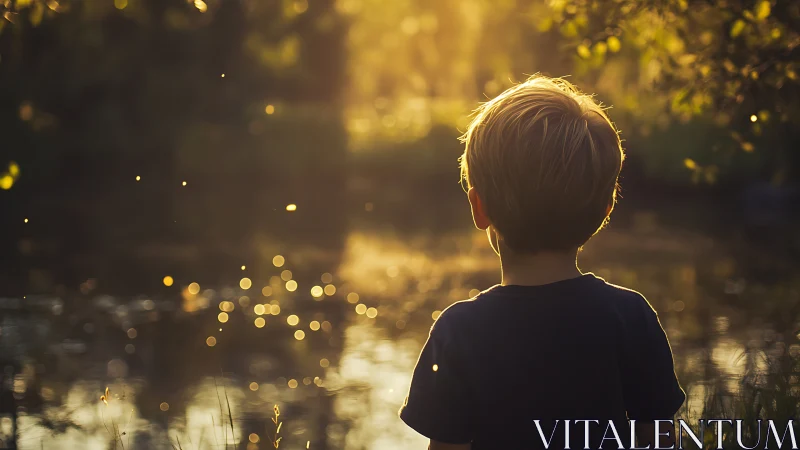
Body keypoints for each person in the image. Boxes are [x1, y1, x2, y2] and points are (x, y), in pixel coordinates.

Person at [398, 75, 685, 450]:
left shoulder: (459, 331)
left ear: (478, 208)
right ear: (605, 211)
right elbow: (658, 440)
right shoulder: (631, 317)